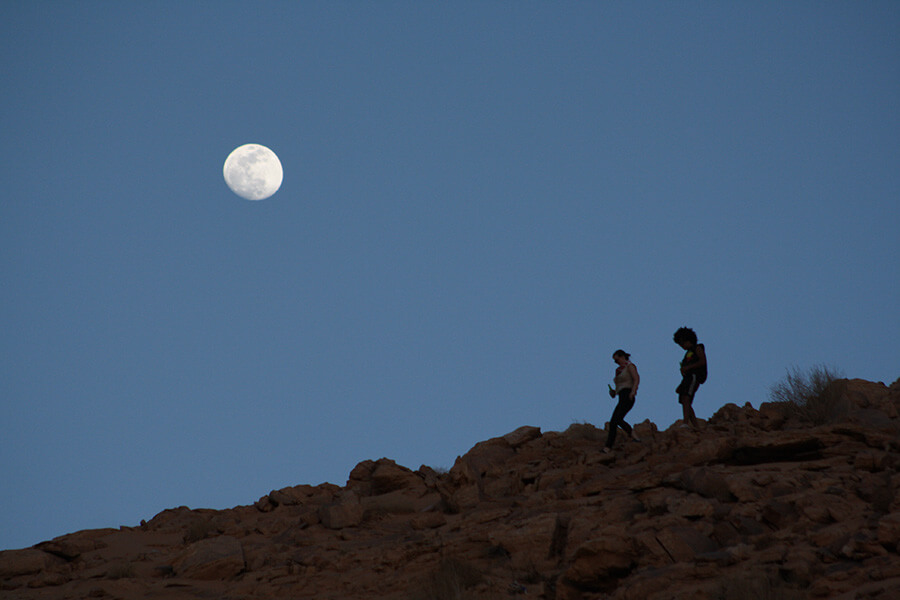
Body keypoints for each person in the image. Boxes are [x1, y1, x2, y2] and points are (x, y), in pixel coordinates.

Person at [603, 350, 641, 453]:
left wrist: (633, 391)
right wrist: (613, 392)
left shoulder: (630, 366)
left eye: (617, 359)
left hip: (628, 395)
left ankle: (608, 447)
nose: (616, 362)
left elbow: (636, 378)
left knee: (615, 420)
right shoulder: (618, 370)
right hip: (621, 395)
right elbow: (618, 388)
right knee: (616, 420)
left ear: (622, 356)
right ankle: (635, 437)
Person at [673, 327, 706, 429]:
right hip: (688, 378)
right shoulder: (688, 353)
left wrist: (688, 367)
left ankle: (686, 422)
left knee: (686, 398)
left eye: (682, 343)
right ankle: (695, 426)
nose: (681, 346)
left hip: (694, 377)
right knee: (684, 399)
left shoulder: (697, 348)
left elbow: (702, 361)